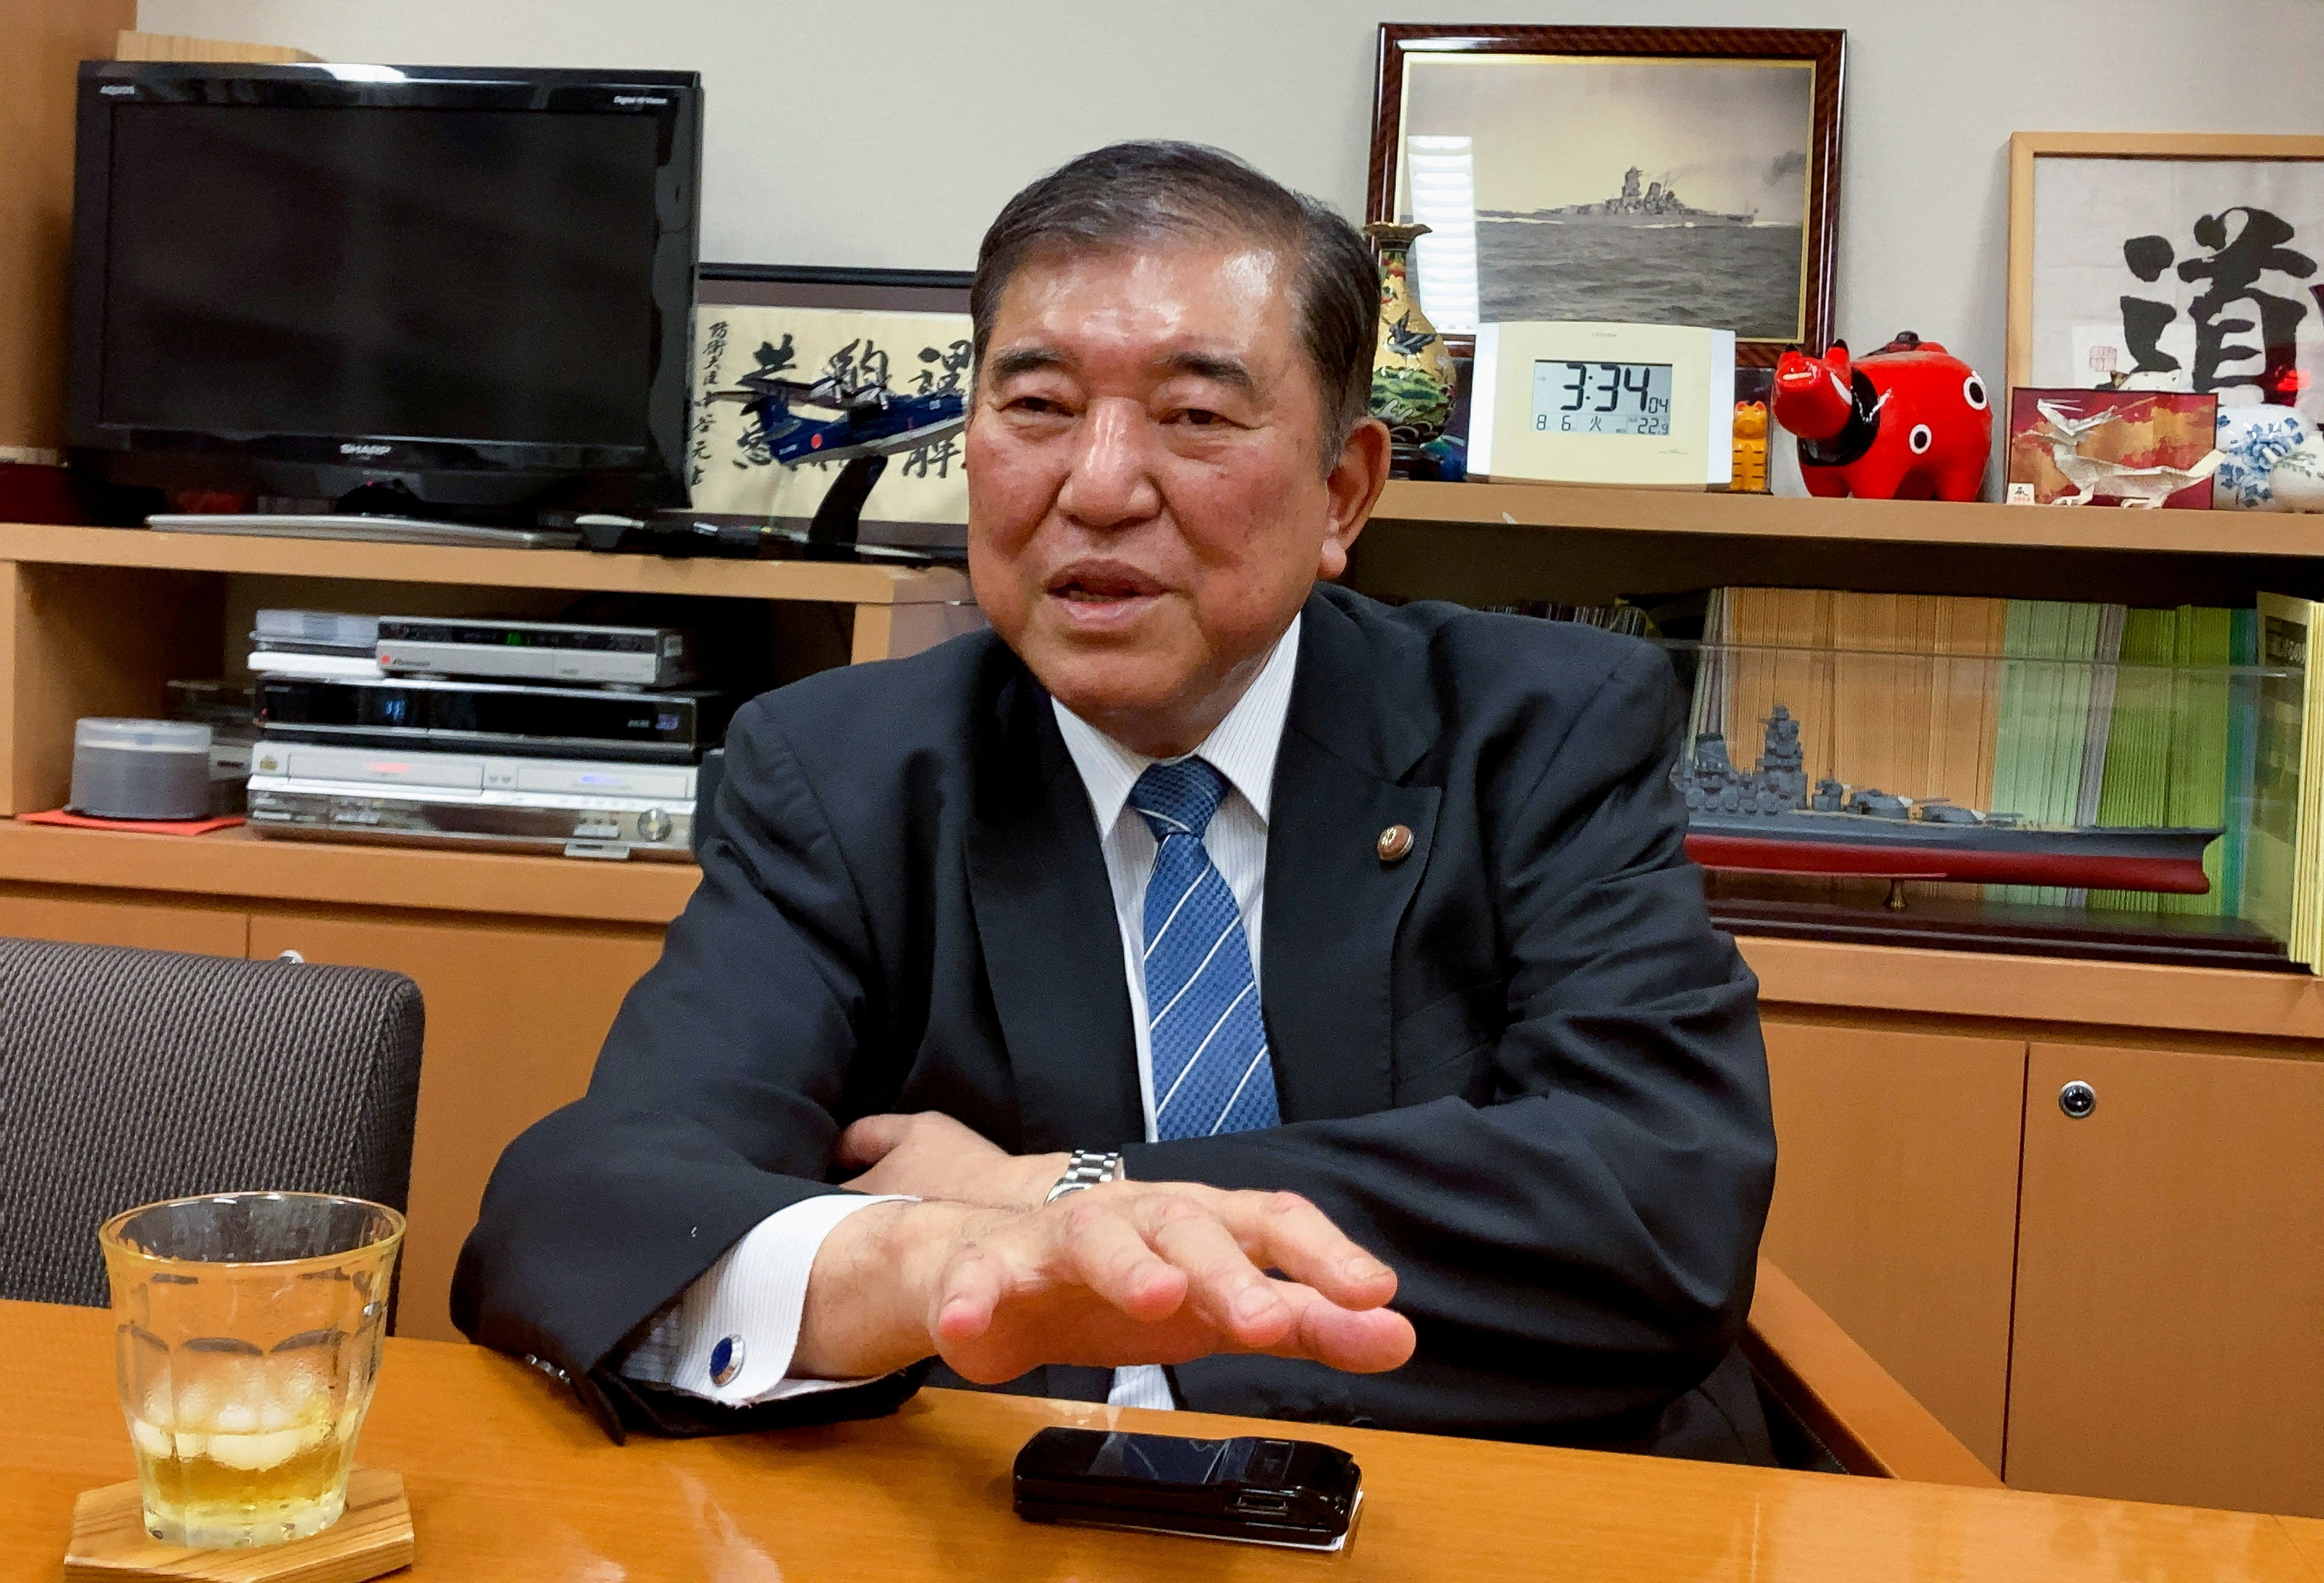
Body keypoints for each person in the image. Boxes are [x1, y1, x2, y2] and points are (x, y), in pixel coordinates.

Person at [454, 141, 1778, 1462]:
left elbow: (1655, 1204)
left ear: (1344, 491)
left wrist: (1069, 1194)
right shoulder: (841, 774)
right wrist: (951, 1268)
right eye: (1035, 406)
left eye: (1196, 416)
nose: (1097, 486)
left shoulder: (1540, 731)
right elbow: (590, 1212)